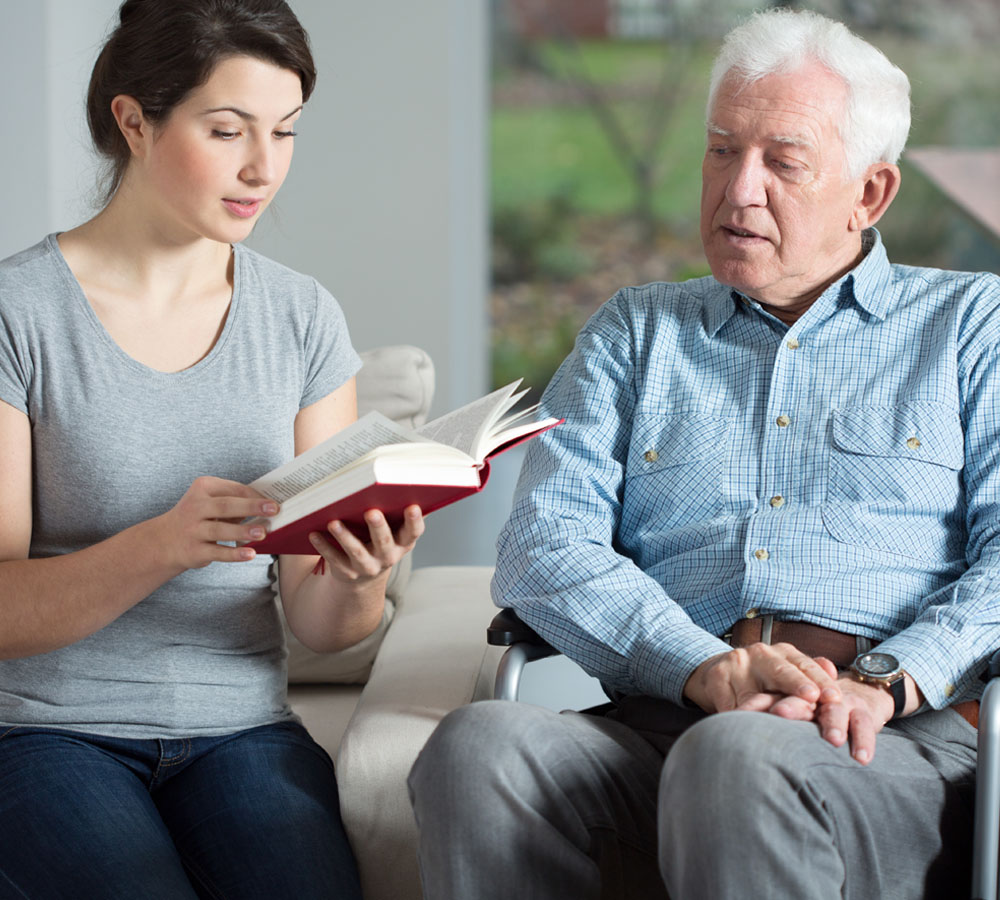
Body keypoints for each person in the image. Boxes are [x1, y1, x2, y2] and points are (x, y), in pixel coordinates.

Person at [409, 8, 1000, 899]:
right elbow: (541, 550)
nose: (738, 190)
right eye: (722, 150)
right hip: (666, 718)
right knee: (478, 745)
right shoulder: (635, 333)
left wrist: (884, 680)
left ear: (870, 194)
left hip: (880, 742)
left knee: (736, 756)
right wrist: (701, 668)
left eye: (781, 162)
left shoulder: (970, 329)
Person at [0, 1, 424, 897]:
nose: (263, 168)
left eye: (285, 131)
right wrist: (160, 544)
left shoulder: (303, 318)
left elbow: (323, 627)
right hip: (43, 735)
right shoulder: (20, 316)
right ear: (133, 121)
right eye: (227, 129)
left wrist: (356, 577)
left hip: (244, 733)